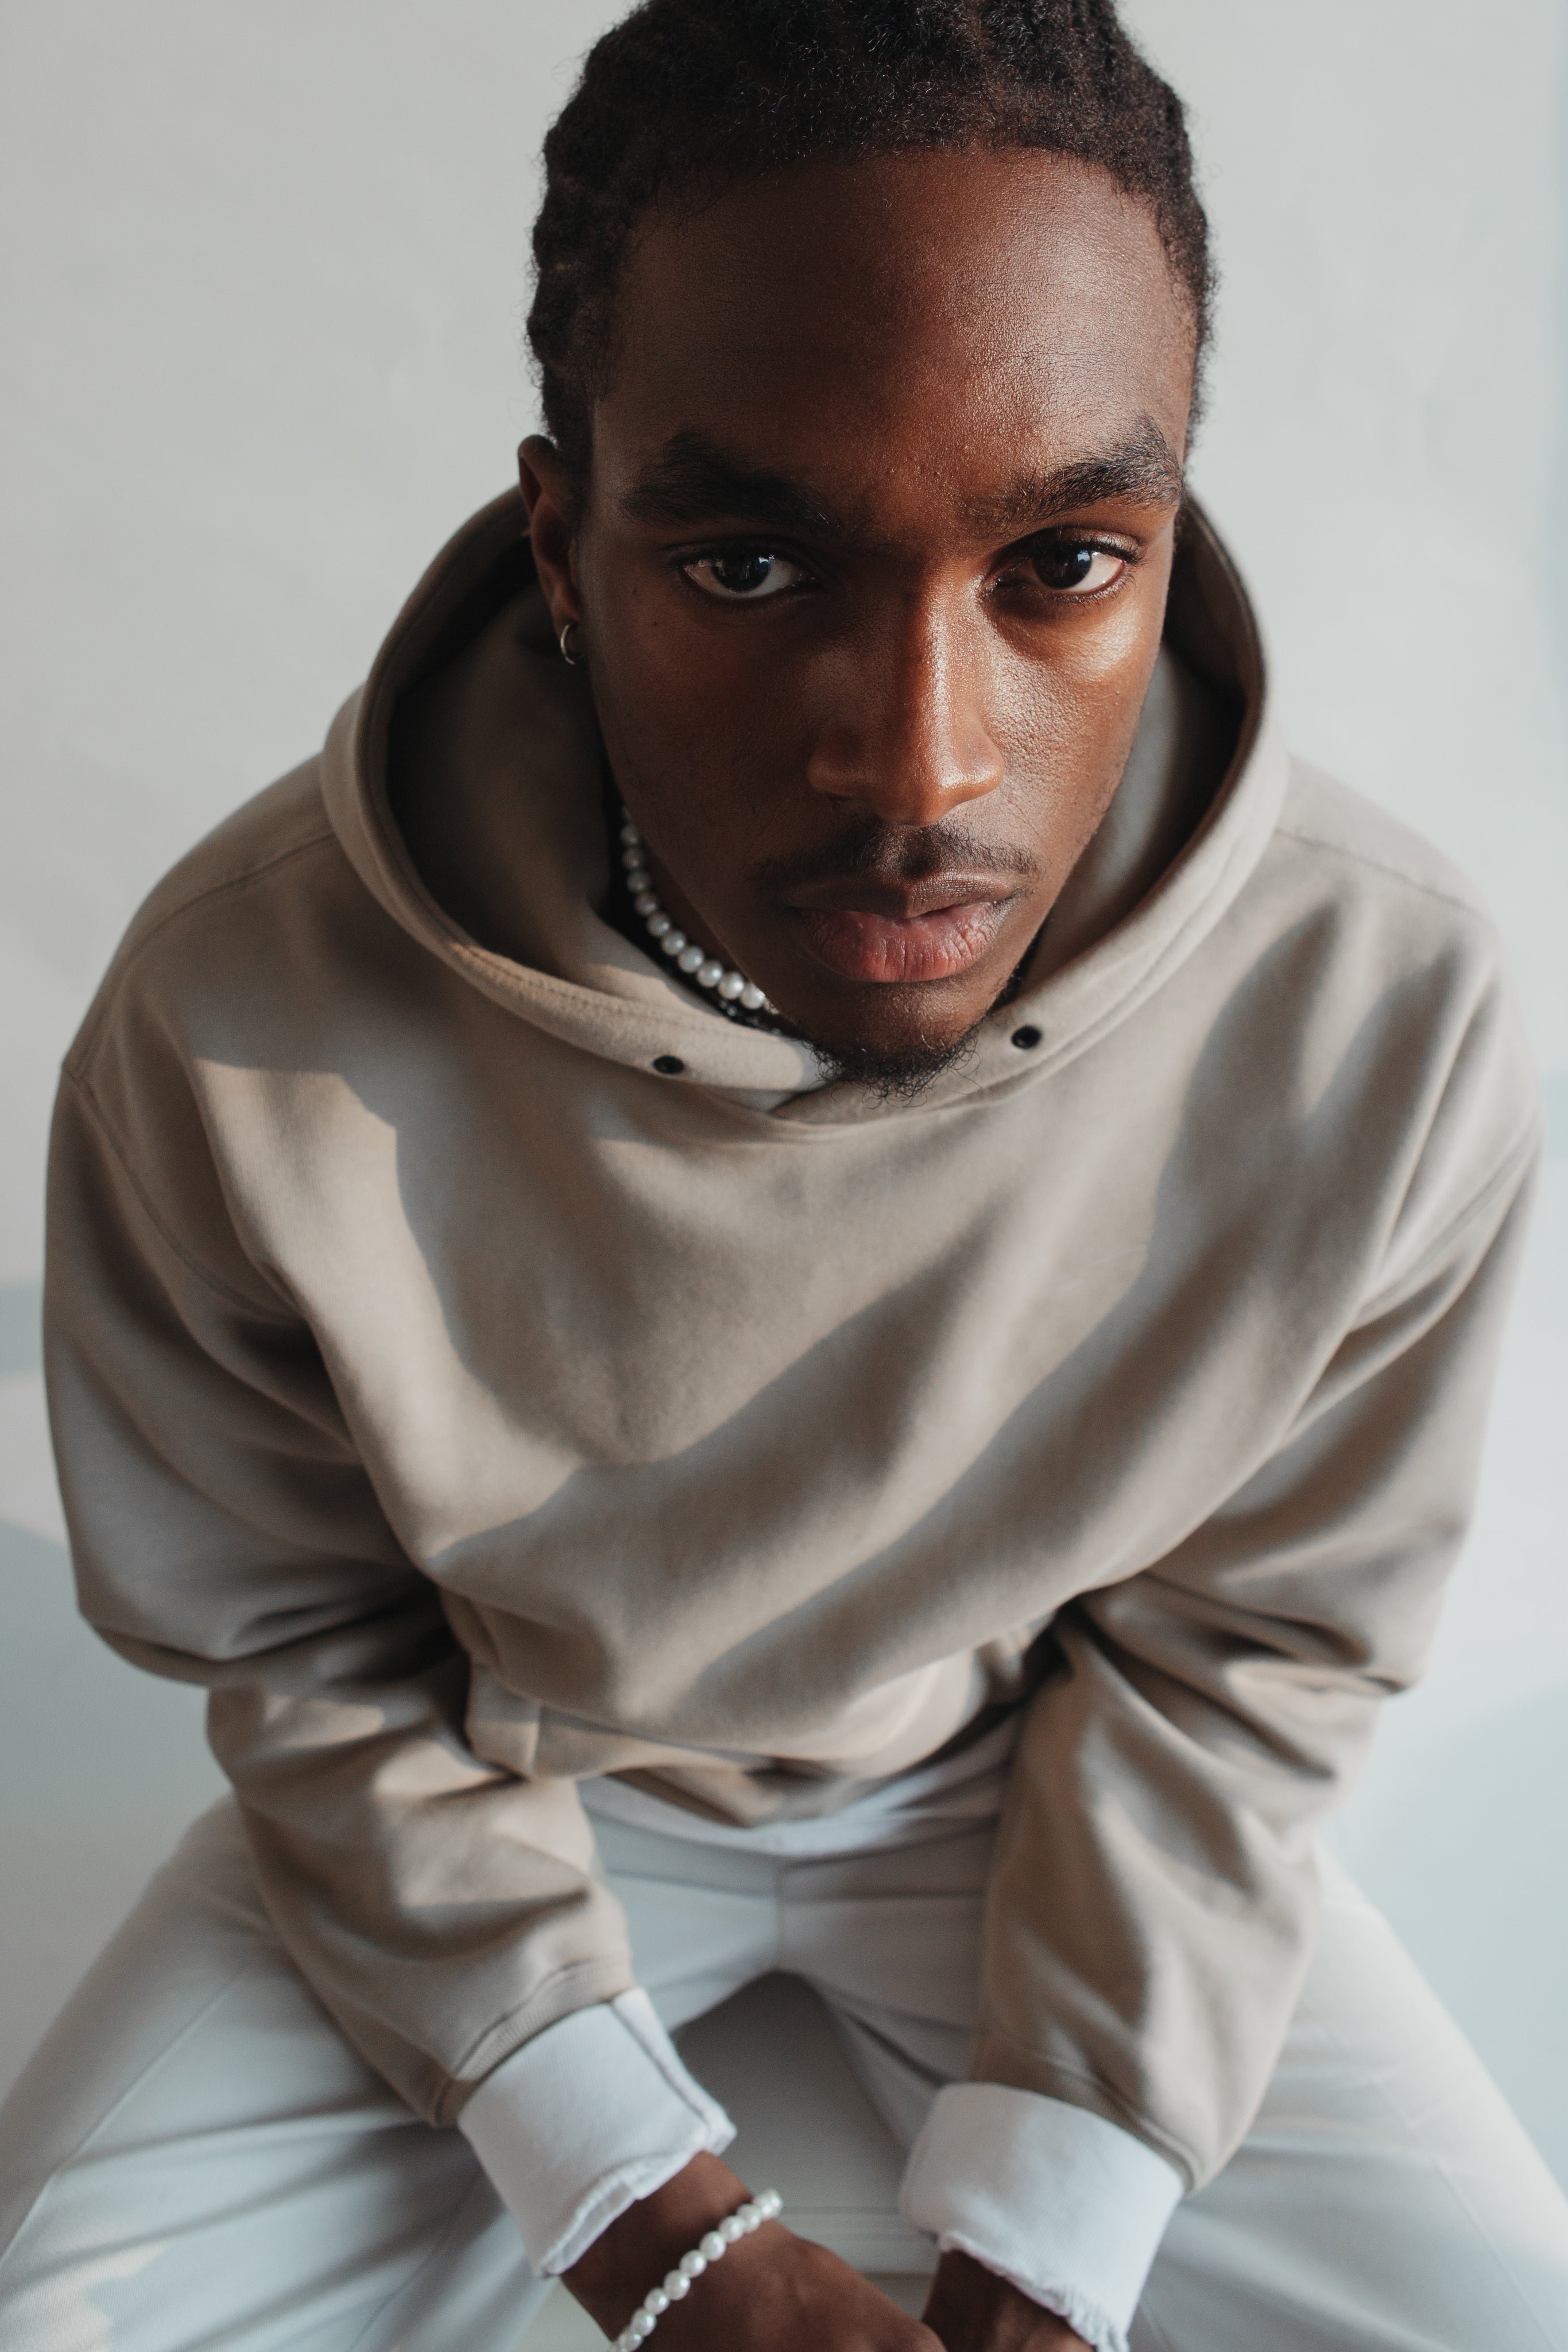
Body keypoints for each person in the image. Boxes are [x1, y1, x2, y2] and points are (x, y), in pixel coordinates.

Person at [1, 2, 1565, 2347]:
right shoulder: (237, 1011)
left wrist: (1055, 2229)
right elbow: (293, 1642)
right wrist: (659, 2231)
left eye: (1061, 561)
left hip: (1036, 1795)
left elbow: (1253, 1644)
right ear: (563, 546)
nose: (918, 767)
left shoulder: (1380, 1007)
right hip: (501, 1777)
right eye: (746, 566)